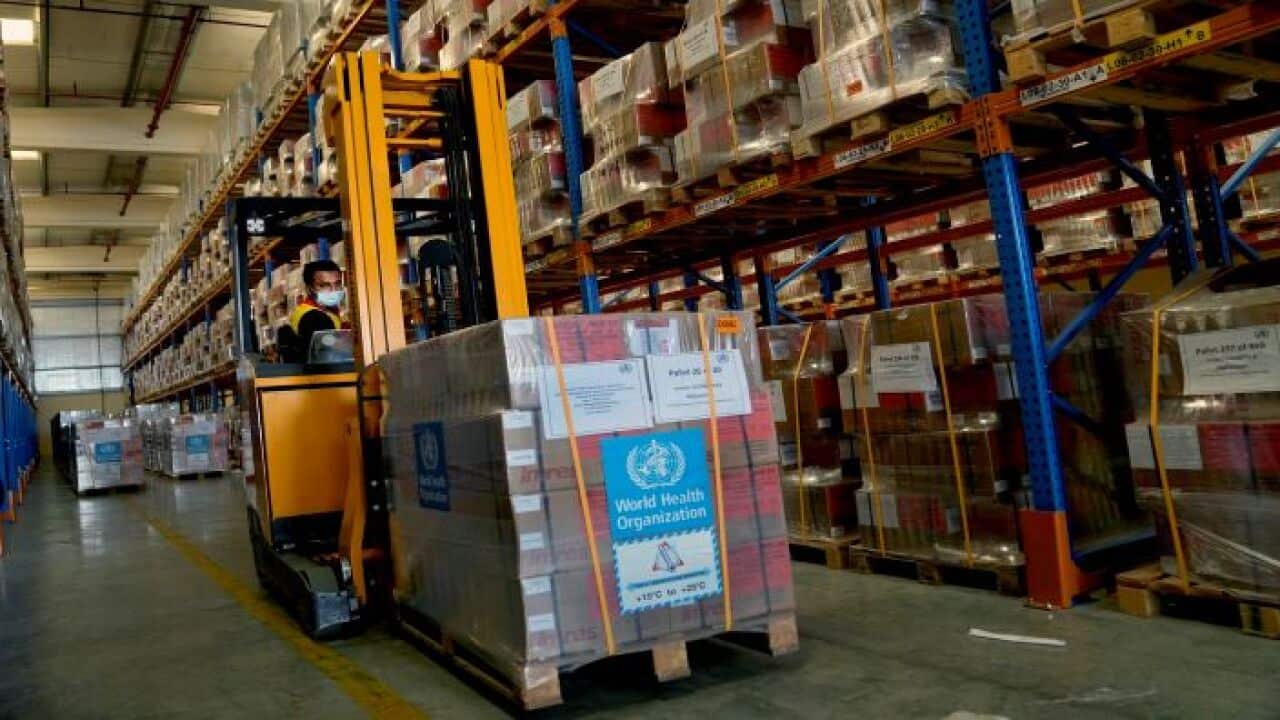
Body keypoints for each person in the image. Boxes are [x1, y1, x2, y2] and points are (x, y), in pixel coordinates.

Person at [288, 260, 346, 361]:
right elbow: (332, 352)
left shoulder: (307, 310)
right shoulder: (315, 317)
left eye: (337, 284)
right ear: (310, 288)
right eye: (324, 285)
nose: (333, 290)